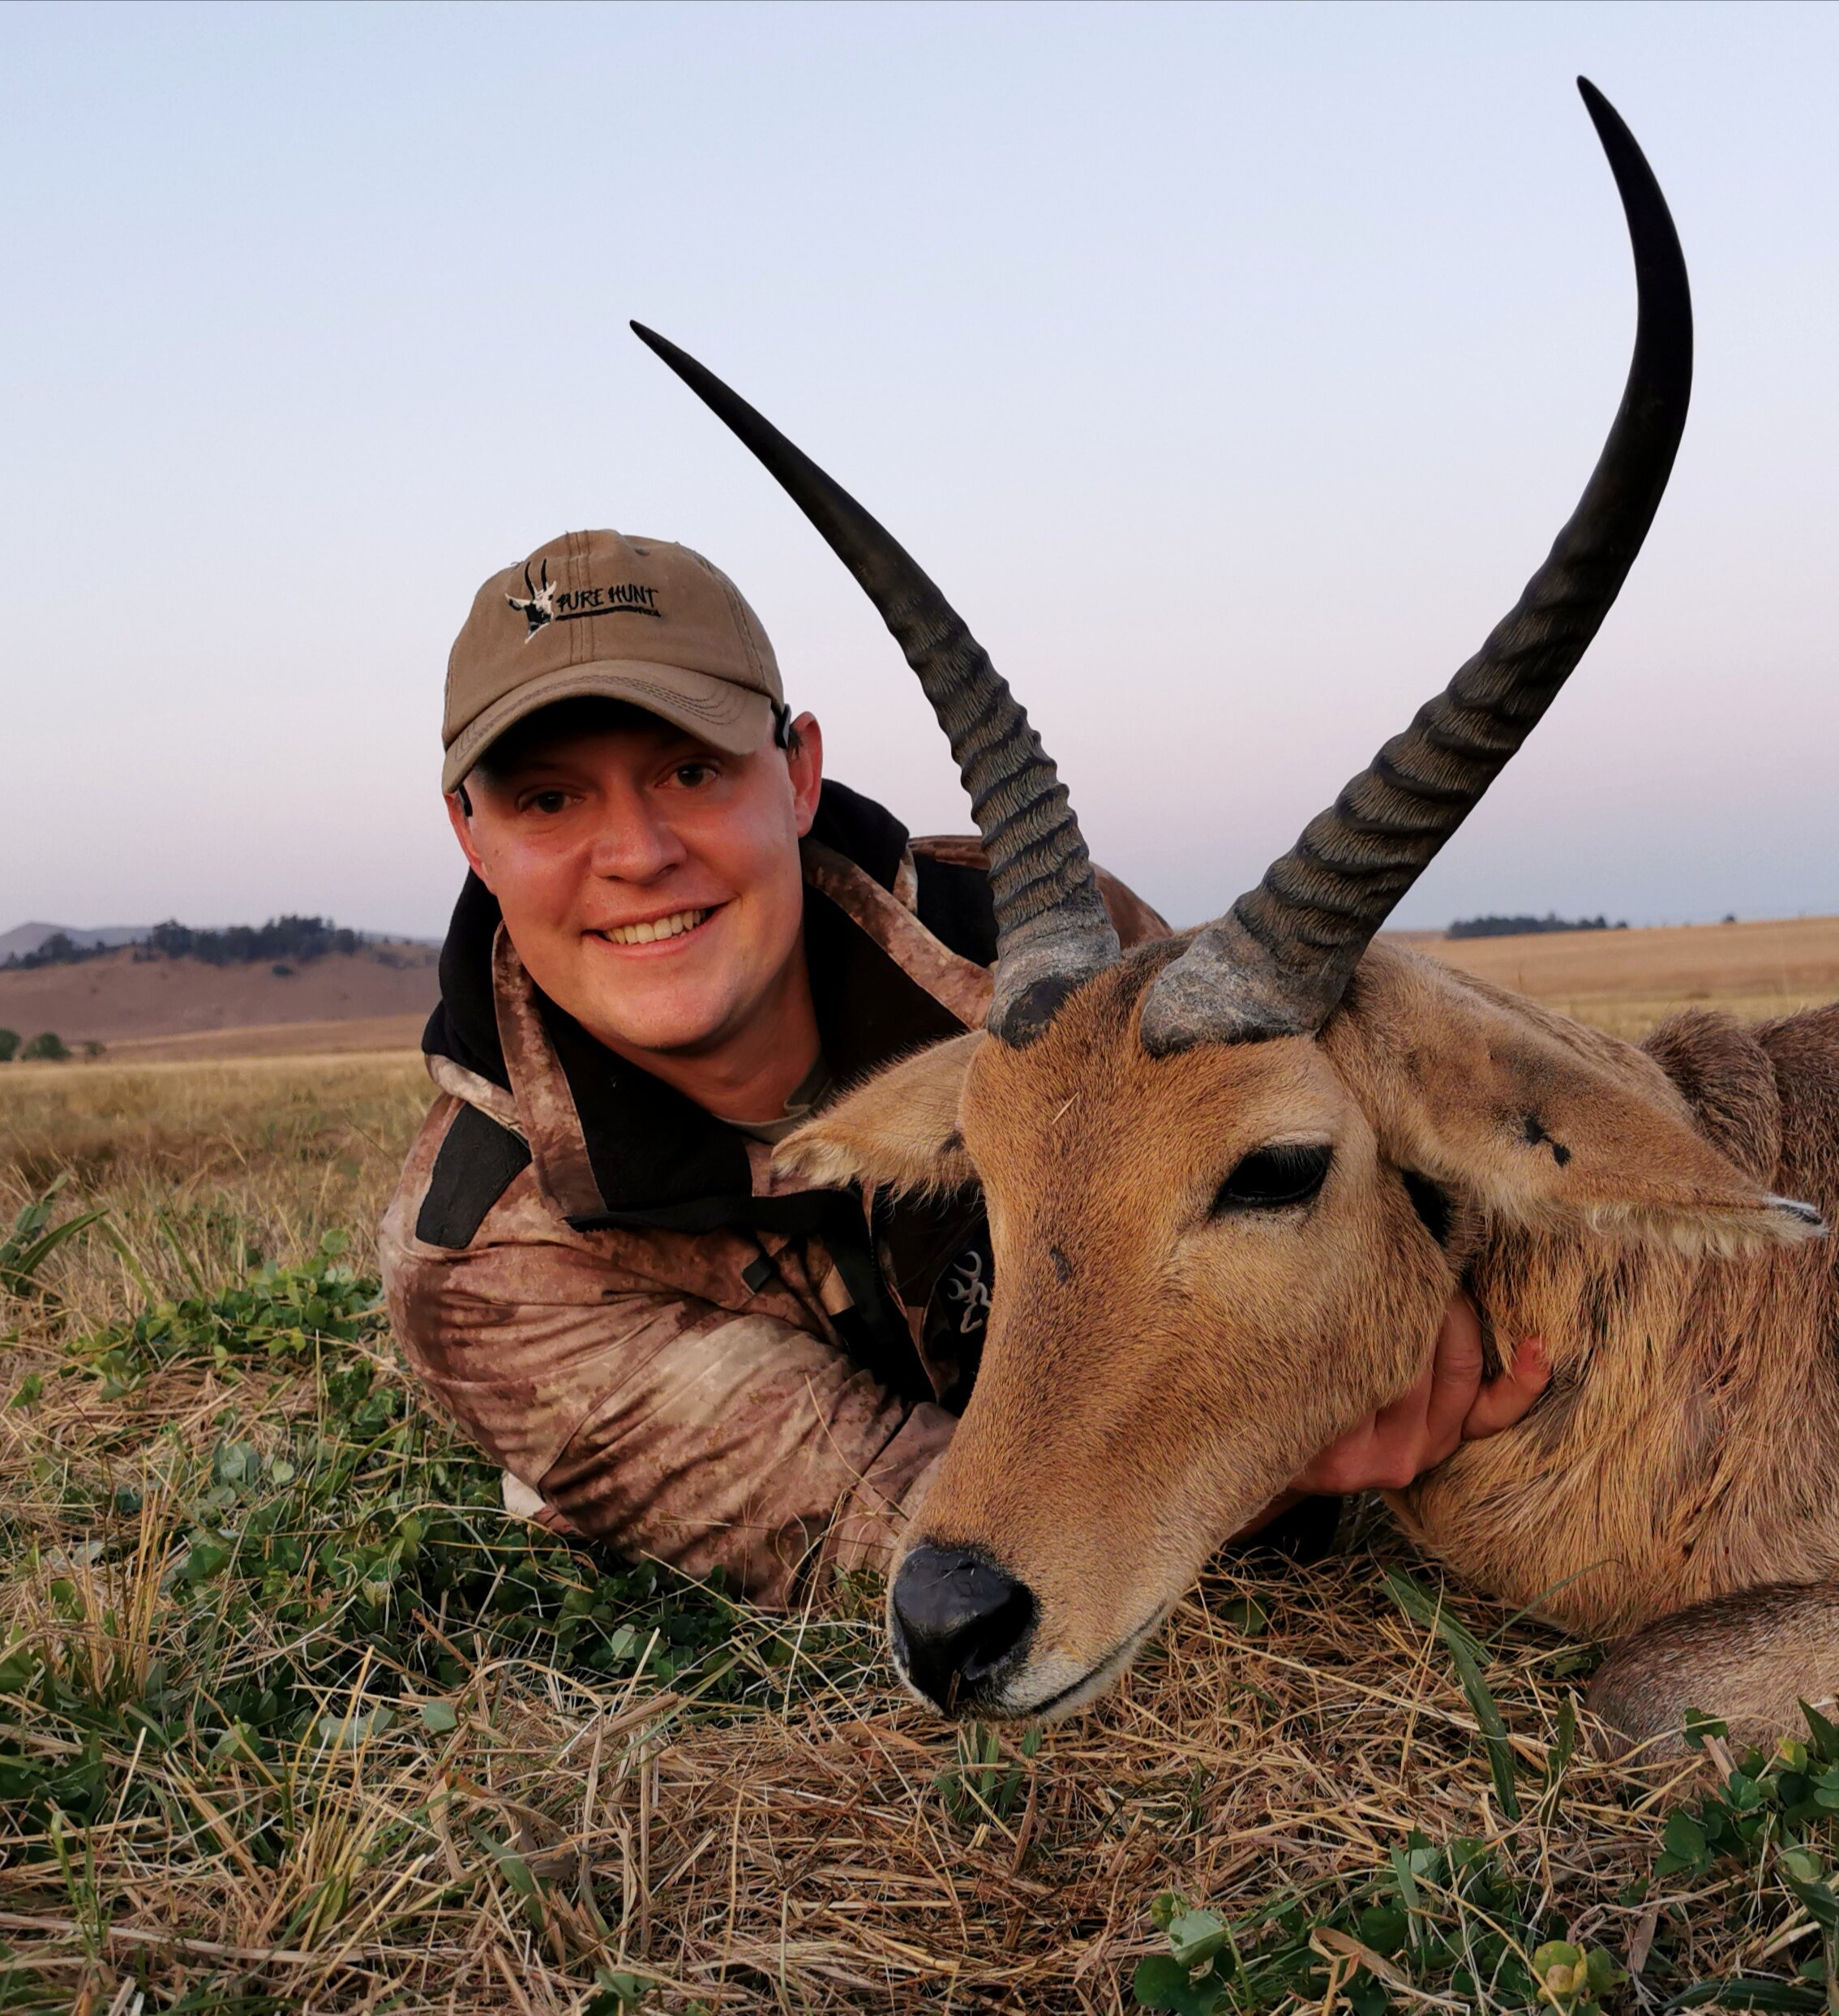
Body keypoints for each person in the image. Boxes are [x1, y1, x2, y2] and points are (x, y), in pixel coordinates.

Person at [379, 529, 1548, 1607]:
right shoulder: (487, 1258)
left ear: (796, 774)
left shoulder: (1044, 940)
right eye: (546, 799)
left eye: (691, 771)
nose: (636, 854)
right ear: (469, 837)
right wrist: (1286, 1457)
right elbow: (905, 1534)